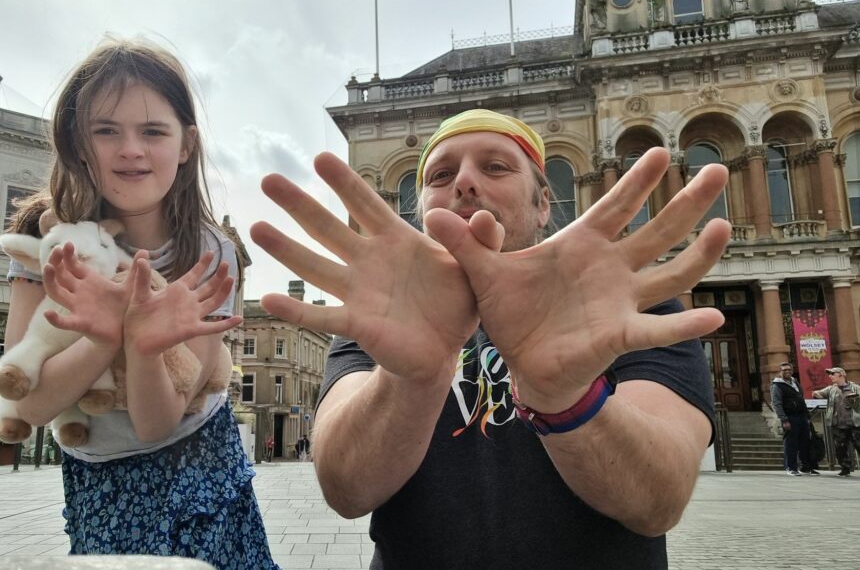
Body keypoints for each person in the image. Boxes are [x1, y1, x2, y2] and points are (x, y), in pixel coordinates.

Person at [250, 109, 732, 568]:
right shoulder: (374, 323)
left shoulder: (624, 309)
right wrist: (412, 379)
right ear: (422, 212)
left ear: (544, 203)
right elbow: (347, 489)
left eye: (496, 167)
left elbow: (657, 503)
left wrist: (565, 397)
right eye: (439, 176)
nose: (462, 181)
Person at [4, 38, 276, 568]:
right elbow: (30, 406)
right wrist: (106, 336)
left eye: (153, 131)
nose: (131, 148)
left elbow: (161, 422)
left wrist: (143, 348)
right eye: (106, 130)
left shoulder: (209, 250)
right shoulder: (45, 241)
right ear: (78, 142)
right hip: (98, 473)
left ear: (186, 144)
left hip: (199, 461)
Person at [812, 367, 860, 476]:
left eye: (832, 374)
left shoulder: (855, 387)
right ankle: (845, 468)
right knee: (840, 448)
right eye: (829, 374)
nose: (830, 376)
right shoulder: (831, 389)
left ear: (841, 374)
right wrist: (816, 393)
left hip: (855, 423)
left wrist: (855, 398)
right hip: (838, 424)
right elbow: (818, 393)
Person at [772, 361, 819, 476]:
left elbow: (801, 399)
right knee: (791, 443)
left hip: (802, 416)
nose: (787, 372)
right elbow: (777, 404)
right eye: (784, 370)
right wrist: (784, 420)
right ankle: (791, 467)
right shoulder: (776, 385)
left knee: (805, 442)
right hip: (790, 417)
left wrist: (807, 416)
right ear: (780, 372)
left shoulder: (795, 382)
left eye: (789, 369)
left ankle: (806, 467)